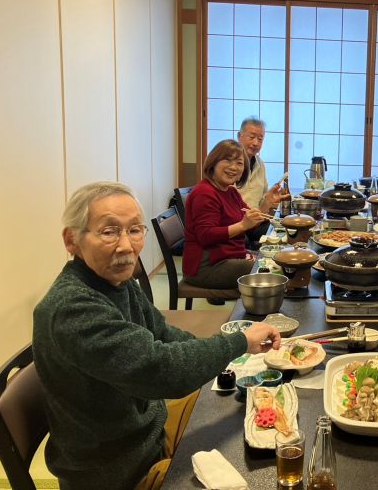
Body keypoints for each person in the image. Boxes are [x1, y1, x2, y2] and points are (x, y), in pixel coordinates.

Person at [33, 181, 281, 490]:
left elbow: (164, 334)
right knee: (256, 469)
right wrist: (239, 341)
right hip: (119, 470)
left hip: (148, 429)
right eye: (109, 232)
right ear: (71, 240)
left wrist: (228, 357)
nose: (126, 246)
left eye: (135, 230)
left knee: (246, 410)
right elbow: (163, 371)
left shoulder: (116, 282)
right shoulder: (74, 309)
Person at [183, 139, 284, 294]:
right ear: (214, 162)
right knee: (272, 271)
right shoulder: (204, 193)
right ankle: (260, 314)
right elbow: (205, 235)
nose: (233, 167)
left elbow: (251, 221)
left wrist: (267, 204)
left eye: (239, 163)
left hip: (230, 256)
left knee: (278, 260)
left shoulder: (230, 192)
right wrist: (242, 225)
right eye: (227, 160)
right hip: (206, 266)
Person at [237, 117, 272, 210]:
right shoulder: (230, 163)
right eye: (252, 137)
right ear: (239, 136)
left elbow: (264, 197)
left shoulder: (260, 164)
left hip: (255, 221)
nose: (255, 143)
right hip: (233, 222)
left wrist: (270, 198)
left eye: (260, 139)